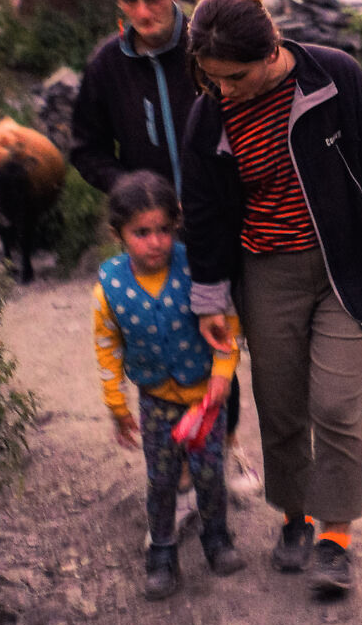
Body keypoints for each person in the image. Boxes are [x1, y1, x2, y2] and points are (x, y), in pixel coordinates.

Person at [179, 0, 362, 600]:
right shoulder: (211, 116)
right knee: (279, 406)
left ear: (273, 46)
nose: (224, 87)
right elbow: (201, 212)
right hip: (265, 271)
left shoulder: (334, 79)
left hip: (345, 267)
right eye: (212, 76)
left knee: (334, 402)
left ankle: (336, 537)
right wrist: (212, 297)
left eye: (235, 74)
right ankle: (294, 517)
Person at [93, 171, 247, 598]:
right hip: (156, 400)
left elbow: (227, 323)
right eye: (141, 233)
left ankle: (217, 539)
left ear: (176, 224)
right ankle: (161, 554)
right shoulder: (110, 287)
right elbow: (107, 345)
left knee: (209, 473)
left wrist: (222, 373)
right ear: (118, 233)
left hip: (204, 399)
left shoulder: (197, 266)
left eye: (163, 229)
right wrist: (116, 404)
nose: (155, 241)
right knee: (161, 479)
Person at [70, 0, 201, 199]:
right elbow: (87, 150)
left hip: (222, 224)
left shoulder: (208, 48)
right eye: (130, 0)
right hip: (152, 228)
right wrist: (132, 189)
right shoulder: (107, 64)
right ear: (118, 0)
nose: (142, 13)